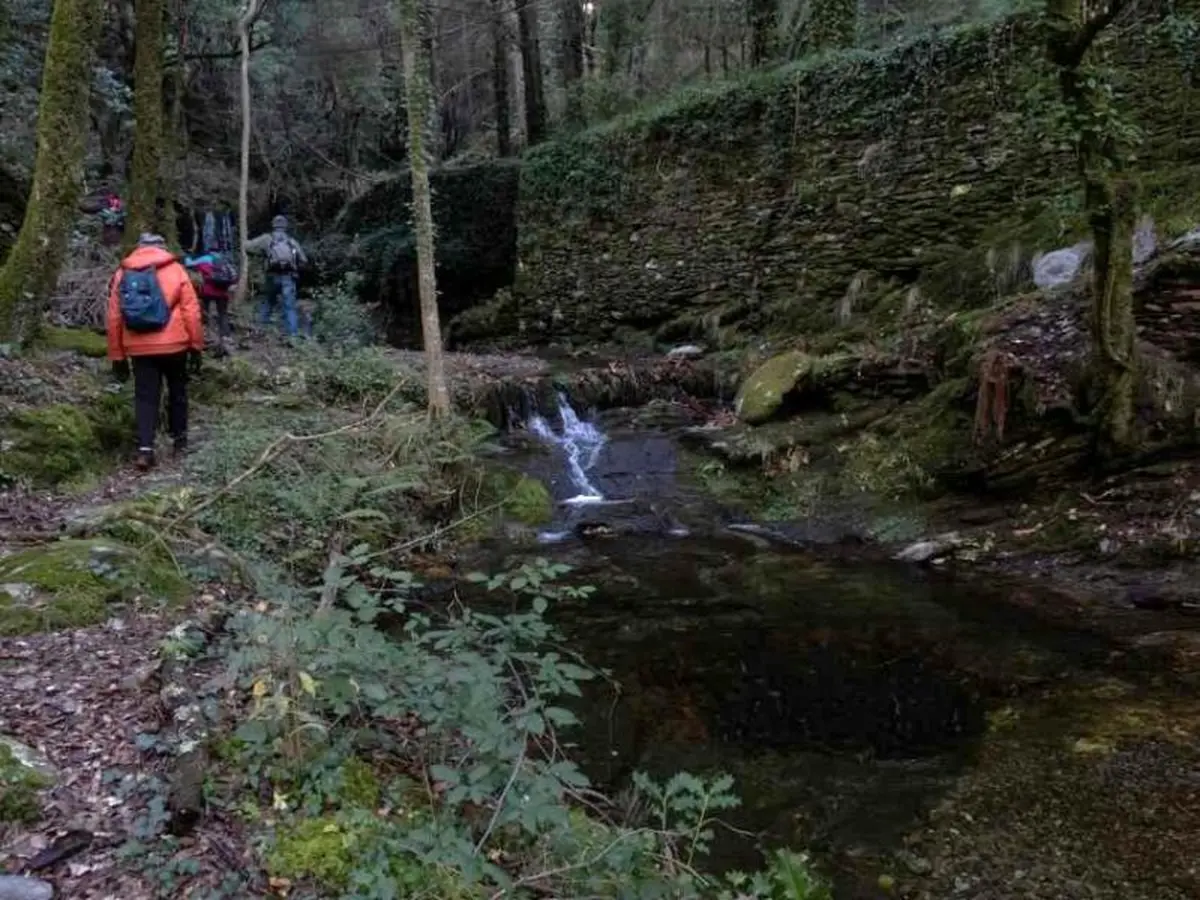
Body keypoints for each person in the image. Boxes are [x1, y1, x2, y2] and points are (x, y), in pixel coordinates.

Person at [106, 233, 204, 471]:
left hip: (139, 346)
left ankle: (145, 450)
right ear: (163, 248)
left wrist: (117, 355)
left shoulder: (123, 272)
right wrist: (196, 346)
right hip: (175, 344)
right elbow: (191, 312)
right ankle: (180, 442)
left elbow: (114, 317)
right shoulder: (177, 270)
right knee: (177, 390)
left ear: (139, 248)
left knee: (145, 396)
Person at [245, 214, 308, 338]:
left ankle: (260, 330)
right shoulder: (291, 241)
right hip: (288, 277)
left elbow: (247, 247)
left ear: (273, 225)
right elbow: (304, 260)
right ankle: (293, 336)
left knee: (268, 302)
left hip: (271, 276)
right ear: (285, 226)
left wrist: (262, 254)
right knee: (289, 307)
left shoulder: (267, 239)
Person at [183, 251, 238, 351]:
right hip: (223, 292)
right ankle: (226, 337)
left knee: (204, 312)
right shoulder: (224, 259)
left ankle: (206, 335)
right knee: (223, 314)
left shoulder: (204, 259)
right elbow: (233, 276)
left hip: (208, 291)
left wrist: (187, 257)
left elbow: (189, 264)